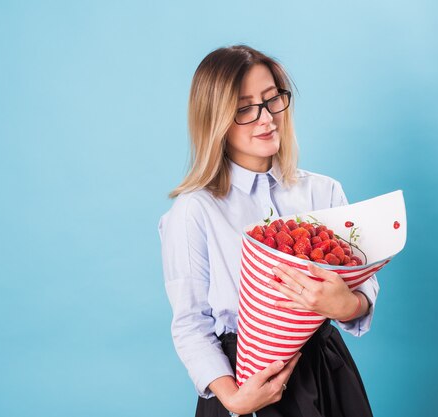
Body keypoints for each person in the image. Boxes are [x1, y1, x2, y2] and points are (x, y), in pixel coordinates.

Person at [159, 45, 378, 417]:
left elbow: (361, 283)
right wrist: (232, 397)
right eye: (245, 108)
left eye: (272, 99)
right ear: (216, 120)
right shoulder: (194, 211)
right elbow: (190, 323)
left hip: (327, 371)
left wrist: (349, 305)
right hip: (241, 378)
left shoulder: (324, 192)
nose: (267, 118)